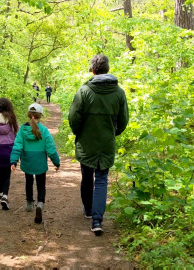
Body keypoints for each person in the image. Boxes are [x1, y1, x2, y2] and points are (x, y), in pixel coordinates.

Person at [68, 54, 129, 235]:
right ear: (108, 69)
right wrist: (113, 132)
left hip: (87, 143)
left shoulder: (84, 91)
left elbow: (74, 118)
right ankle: (97, 220)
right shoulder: (119, 93)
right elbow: (123, 120)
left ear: (93, 70)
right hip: (106, 143)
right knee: (101, 180)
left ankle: (88, 210)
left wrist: (80, 132)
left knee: (87, 176)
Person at [10, 103, 60, 224]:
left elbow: (17, 146)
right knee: (41, 183)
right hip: (40, 162)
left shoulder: (22, 130)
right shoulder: (44, 130)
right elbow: (51, 148)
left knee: (28, 181)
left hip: (27, 161)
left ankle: (29, 203)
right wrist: (56, 162)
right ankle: (40, 203)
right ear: (40, 116)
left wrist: (14, 161)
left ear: (29, 115)